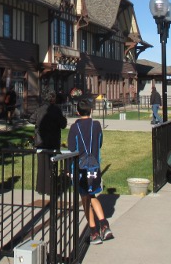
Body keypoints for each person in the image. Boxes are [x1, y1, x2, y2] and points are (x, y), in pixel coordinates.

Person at [68, 99, 113, 244]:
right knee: (92, 195)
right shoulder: (97, 125)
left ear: (77, 112)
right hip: (94, 165)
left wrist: (69, 170)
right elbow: (100, 142)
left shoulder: (75, 128)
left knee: (85, 199)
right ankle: (104, 225)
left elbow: (71, 147)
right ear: (91, 111)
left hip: (80, 167)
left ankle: (93, 231)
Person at [28, 91, 67, 195]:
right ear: (52, 99)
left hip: (41, 141)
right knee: (52, 165)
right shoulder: (56, 110)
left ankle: (41, 188)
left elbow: (31, 119)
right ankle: (50, 188)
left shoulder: (39, 109)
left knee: (42, 165)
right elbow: (63, 124)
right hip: (53, 141)